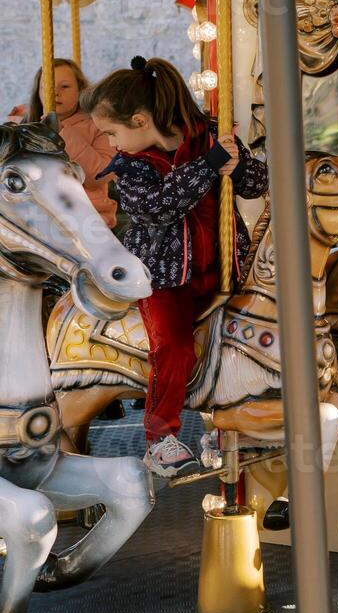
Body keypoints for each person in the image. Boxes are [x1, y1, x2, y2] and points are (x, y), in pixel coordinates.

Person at [83, 56, 269, 477]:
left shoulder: (209, 136)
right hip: (164, 278)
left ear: (140, 119)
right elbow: (157, 208)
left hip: (223, 266)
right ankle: (160, 439)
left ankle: (241, 416)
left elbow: (259, 184)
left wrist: (236, 164)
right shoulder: (130, 167)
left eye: (112, 132)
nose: (111, 143)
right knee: (175, 346)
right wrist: (206, 167)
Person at [21, 59, 118, 228]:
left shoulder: (98, 125)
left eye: (64, 86)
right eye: (47, 86)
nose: (55, 92)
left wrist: (62, 134)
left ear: (81, 90)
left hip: (88, 214)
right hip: (39, 214)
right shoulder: (25, 127)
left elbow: (99, 175)